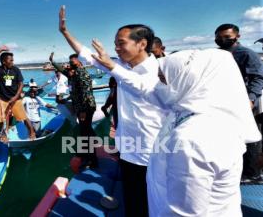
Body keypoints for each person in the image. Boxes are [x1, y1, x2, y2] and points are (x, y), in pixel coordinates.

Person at [92, 46, 261, 216]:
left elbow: (184, 213)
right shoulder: (195, 112)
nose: (158, 85)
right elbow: (143, 88)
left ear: (187, 81)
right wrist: (111, 65)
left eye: (163, 79)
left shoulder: (194, 139)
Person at [58, 6, 165, 216]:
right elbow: (86, 55)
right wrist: (64, 32)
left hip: (154, 149)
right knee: (134, 200)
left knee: (155, 201)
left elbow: (143, 87)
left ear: (142, 44)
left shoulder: (161, 68)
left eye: (121, 43)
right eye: (115, 44)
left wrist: (112, 67)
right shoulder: (122, 66)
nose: (116, 48)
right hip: (128, 148)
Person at [215, 23, 263, 184]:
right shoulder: (217, 54)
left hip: (245, 101)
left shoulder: (247, 54)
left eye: (227, 37)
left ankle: (253, 173)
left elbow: (257, 78)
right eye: (219, 37)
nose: (222, 40)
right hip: (223, 101)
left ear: (237, 36)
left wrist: (251, 99)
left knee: (249, 136)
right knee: (229, 136)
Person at [50, 51, 98, 168]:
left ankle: (92, 159)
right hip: (81, 106)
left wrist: (82, 110)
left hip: (86, 107)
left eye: (72, 62)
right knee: (84, 131)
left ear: (79, 62)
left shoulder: (81, 74)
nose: (69, 64)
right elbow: (62, 70)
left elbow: (85, 93)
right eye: (69, 62)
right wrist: (53, 61)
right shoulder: (73, 74)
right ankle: (84, 152)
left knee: (85, 132)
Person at [0, 46, 36, 139]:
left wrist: (16, 96)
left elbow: (21, 83)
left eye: (13, 60)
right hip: (2, 99)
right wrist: (0, 49)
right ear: (4, 62)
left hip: (15, 98)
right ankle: (3, 135)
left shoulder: (15, 69)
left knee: (23, 117)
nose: (13, 62)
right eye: (11, 60)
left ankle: (31, 131)